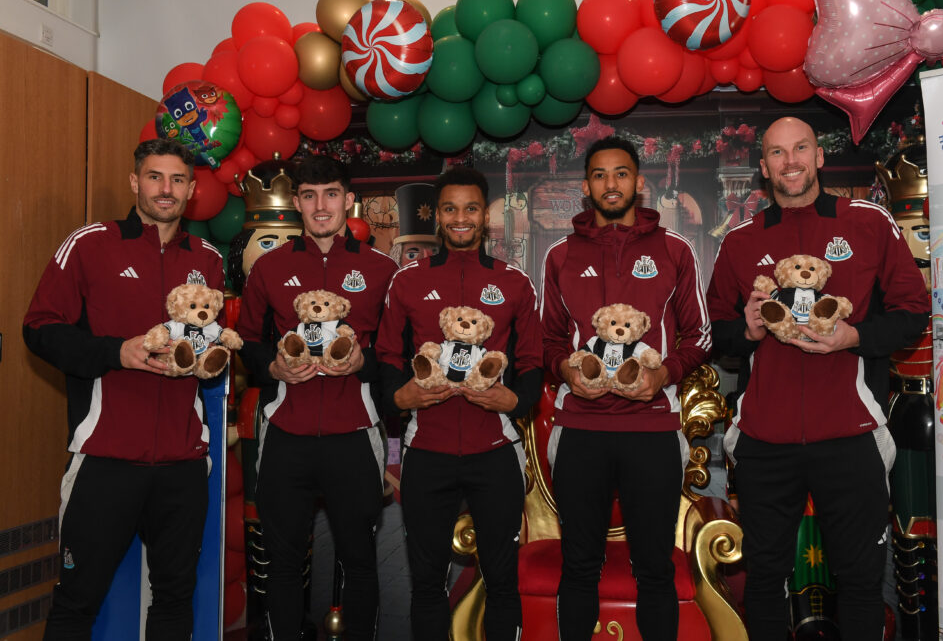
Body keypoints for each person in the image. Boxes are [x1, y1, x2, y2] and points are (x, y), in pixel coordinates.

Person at [705, 117, 929, 641]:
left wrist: (853, 338)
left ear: (819, 157)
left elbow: (912, 311)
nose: (791, 162)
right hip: (764, 440)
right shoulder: (739, 242)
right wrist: (750, 330)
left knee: (859, 580)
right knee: (764, 580)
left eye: (800, 148)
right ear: (763, 167)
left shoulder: (868, 222)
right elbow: (714, 331)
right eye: (777, 153)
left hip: (851, 436)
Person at [23, 139, 224, 640]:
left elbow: (212, 347)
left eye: (178, 180)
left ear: (193, 190)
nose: (166, 189)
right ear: (135, 182)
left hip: (182, 462)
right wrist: (116, 352)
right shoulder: (91, 243)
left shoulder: (209, 258)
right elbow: (40, 328)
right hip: (105, 457)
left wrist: (210, 364)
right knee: (75, 601)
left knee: (175, 599)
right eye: (155, 177)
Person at [540, 136, 711, 641]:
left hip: (652, 429)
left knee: (654, 565)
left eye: (620, 174)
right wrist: (566, 372)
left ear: (639, 182)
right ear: (586, 185)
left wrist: (664, 375)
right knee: (579, 564)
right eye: (599, 174)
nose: (610, 184)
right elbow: (546, 338)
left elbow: (700, 335)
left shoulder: (674, 250)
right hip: (580, 430)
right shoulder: (559, 255)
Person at [235, 155, 398, 640]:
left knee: (359, 559)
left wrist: (362, 363)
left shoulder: (382, 269)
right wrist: (272, 366)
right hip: (286, 435)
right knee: (284, 561)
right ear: (297, 204)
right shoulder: (268, 267)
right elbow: (248, 343)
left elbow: (397, 356)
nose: (320, 205)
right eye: (309, 195)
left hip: (355, 435)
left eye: (330, 194)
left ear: (349, 200)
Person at [377, 167, 543, 641]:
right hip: (426, 450)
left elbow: (532, 361)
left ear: (484, 215)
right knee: (427, 583)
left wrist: (515, 401)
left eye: (471, 208)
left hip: (496, 451)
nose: (460, 218)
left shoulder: (514, 282)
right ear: (437, 216)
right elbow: (387, 355)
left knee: (502, 581)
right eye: (450, 208)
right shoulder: (407, 281)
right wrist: (398, 396)